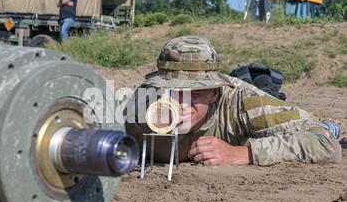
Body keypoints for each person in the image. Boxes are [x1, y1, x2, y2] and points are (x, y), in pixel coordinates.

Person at [125, 36, 342, 166]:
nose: (182, 103)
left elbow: (326, 144)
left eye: (196, 93)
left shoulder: (243, 102)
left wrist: (242, 153)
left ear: (214, 92)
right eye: (173, 91)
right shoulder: (139, 104)